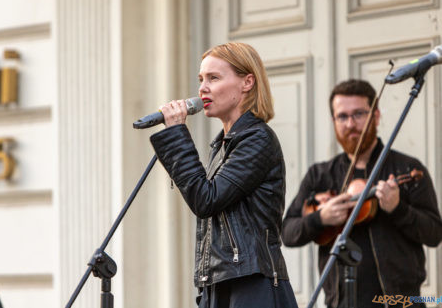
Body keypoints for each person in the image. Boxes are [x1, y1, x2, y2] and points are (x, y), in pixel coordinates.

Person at [149, 42, 298, 308]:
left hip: (252, 285)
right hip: (221, 283)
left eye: (213, 78)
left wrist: (176, 136)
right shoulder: (223, 145)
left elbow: (206, 200)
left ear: (247, 82)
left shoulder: (258, 139)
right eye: (201, 79)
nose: (202, 88)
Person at [281, 79, 442, 308]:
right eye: (342, 117)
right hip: (342, 304)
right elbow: (287, 232)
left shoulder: (406, 168)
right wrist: (320, 218)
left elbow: (434, 233)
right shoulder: (320, 176)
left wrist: (398, 209)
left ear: (375, 116)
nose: (350, 124)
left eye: (358, 114)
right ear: (334, 121)